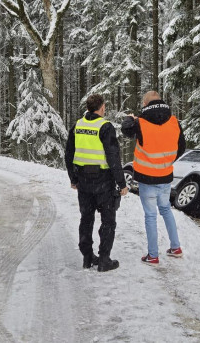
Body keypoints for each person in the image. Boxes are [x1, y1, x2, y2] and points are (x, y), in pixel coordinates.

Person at [65, 94, 128, 272]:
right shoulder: (105, 127)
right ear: (102, 107)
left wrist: (73, 178)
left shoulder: (77, 125)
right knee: (108, 221)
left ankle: (87, 257)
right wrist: (121, 184)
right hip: (103, 182)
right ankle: (104, 259)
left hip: (84, 182)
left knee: (86, 219)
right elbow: (113, 157)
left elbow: (69, 154)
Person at [122, 91, 186, 265]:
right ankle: (176, 247)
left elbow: (125, 129)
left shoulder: (140, 122)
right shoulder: (174, 121)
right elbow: (181, 147)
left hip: (147, 178)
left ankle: (153, 255)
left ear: (145, 103)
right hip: (165, 175)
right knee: (165, 209)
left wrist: (129, 118)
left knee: (150, 215)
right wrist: (166, 161)